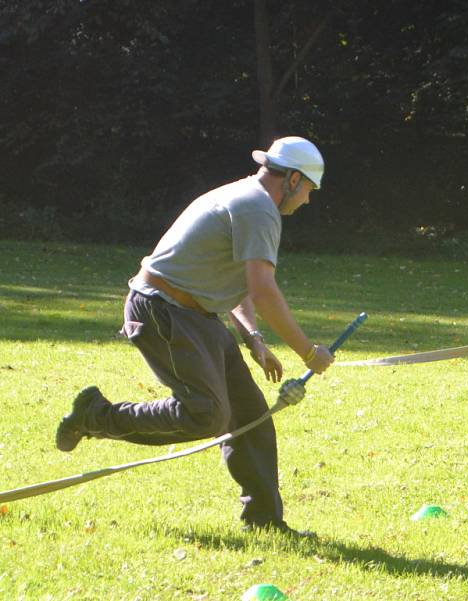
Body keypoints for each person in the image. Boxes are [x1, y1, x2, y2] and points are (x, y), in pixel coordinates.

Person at [55, 136, 334, 534]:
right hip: (162, 310)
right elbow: (263, 291)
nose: (307, 200)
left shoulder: (247, 198)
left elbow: (237, 283)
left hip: (196, 315)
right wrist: (308, 352)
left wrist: (253, 338)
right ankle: (95, 416)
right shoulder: (259, 209)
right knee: (206, 414)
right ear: (291, 179)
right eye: (309, 188)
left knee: (249, 415)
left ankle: (264, 522)